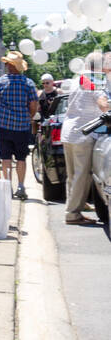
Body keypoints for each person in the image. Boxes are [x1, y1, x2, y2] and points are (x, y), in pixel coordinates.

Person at [61, 65, 109, 225]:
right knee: (82, 176)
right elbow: (103, 104)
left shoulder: (78, 79)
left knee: (73, 175)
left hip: (69, 132)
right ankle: (73, 214)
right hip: (83, 134)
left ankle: (74, 206)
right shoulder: (95, 82)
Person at [0, 52, 38, 200]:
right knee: (21, 158)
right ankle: (20, 186)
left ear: (10, 65)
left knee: (5, 158)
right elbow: (33, 105)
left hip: (4, 125)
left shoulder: (0, 82)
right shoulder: (29, 83)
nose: (6, 65)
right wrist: (28, 116)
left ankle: (8, 186)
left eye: (7, 63)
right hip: (22, 126)